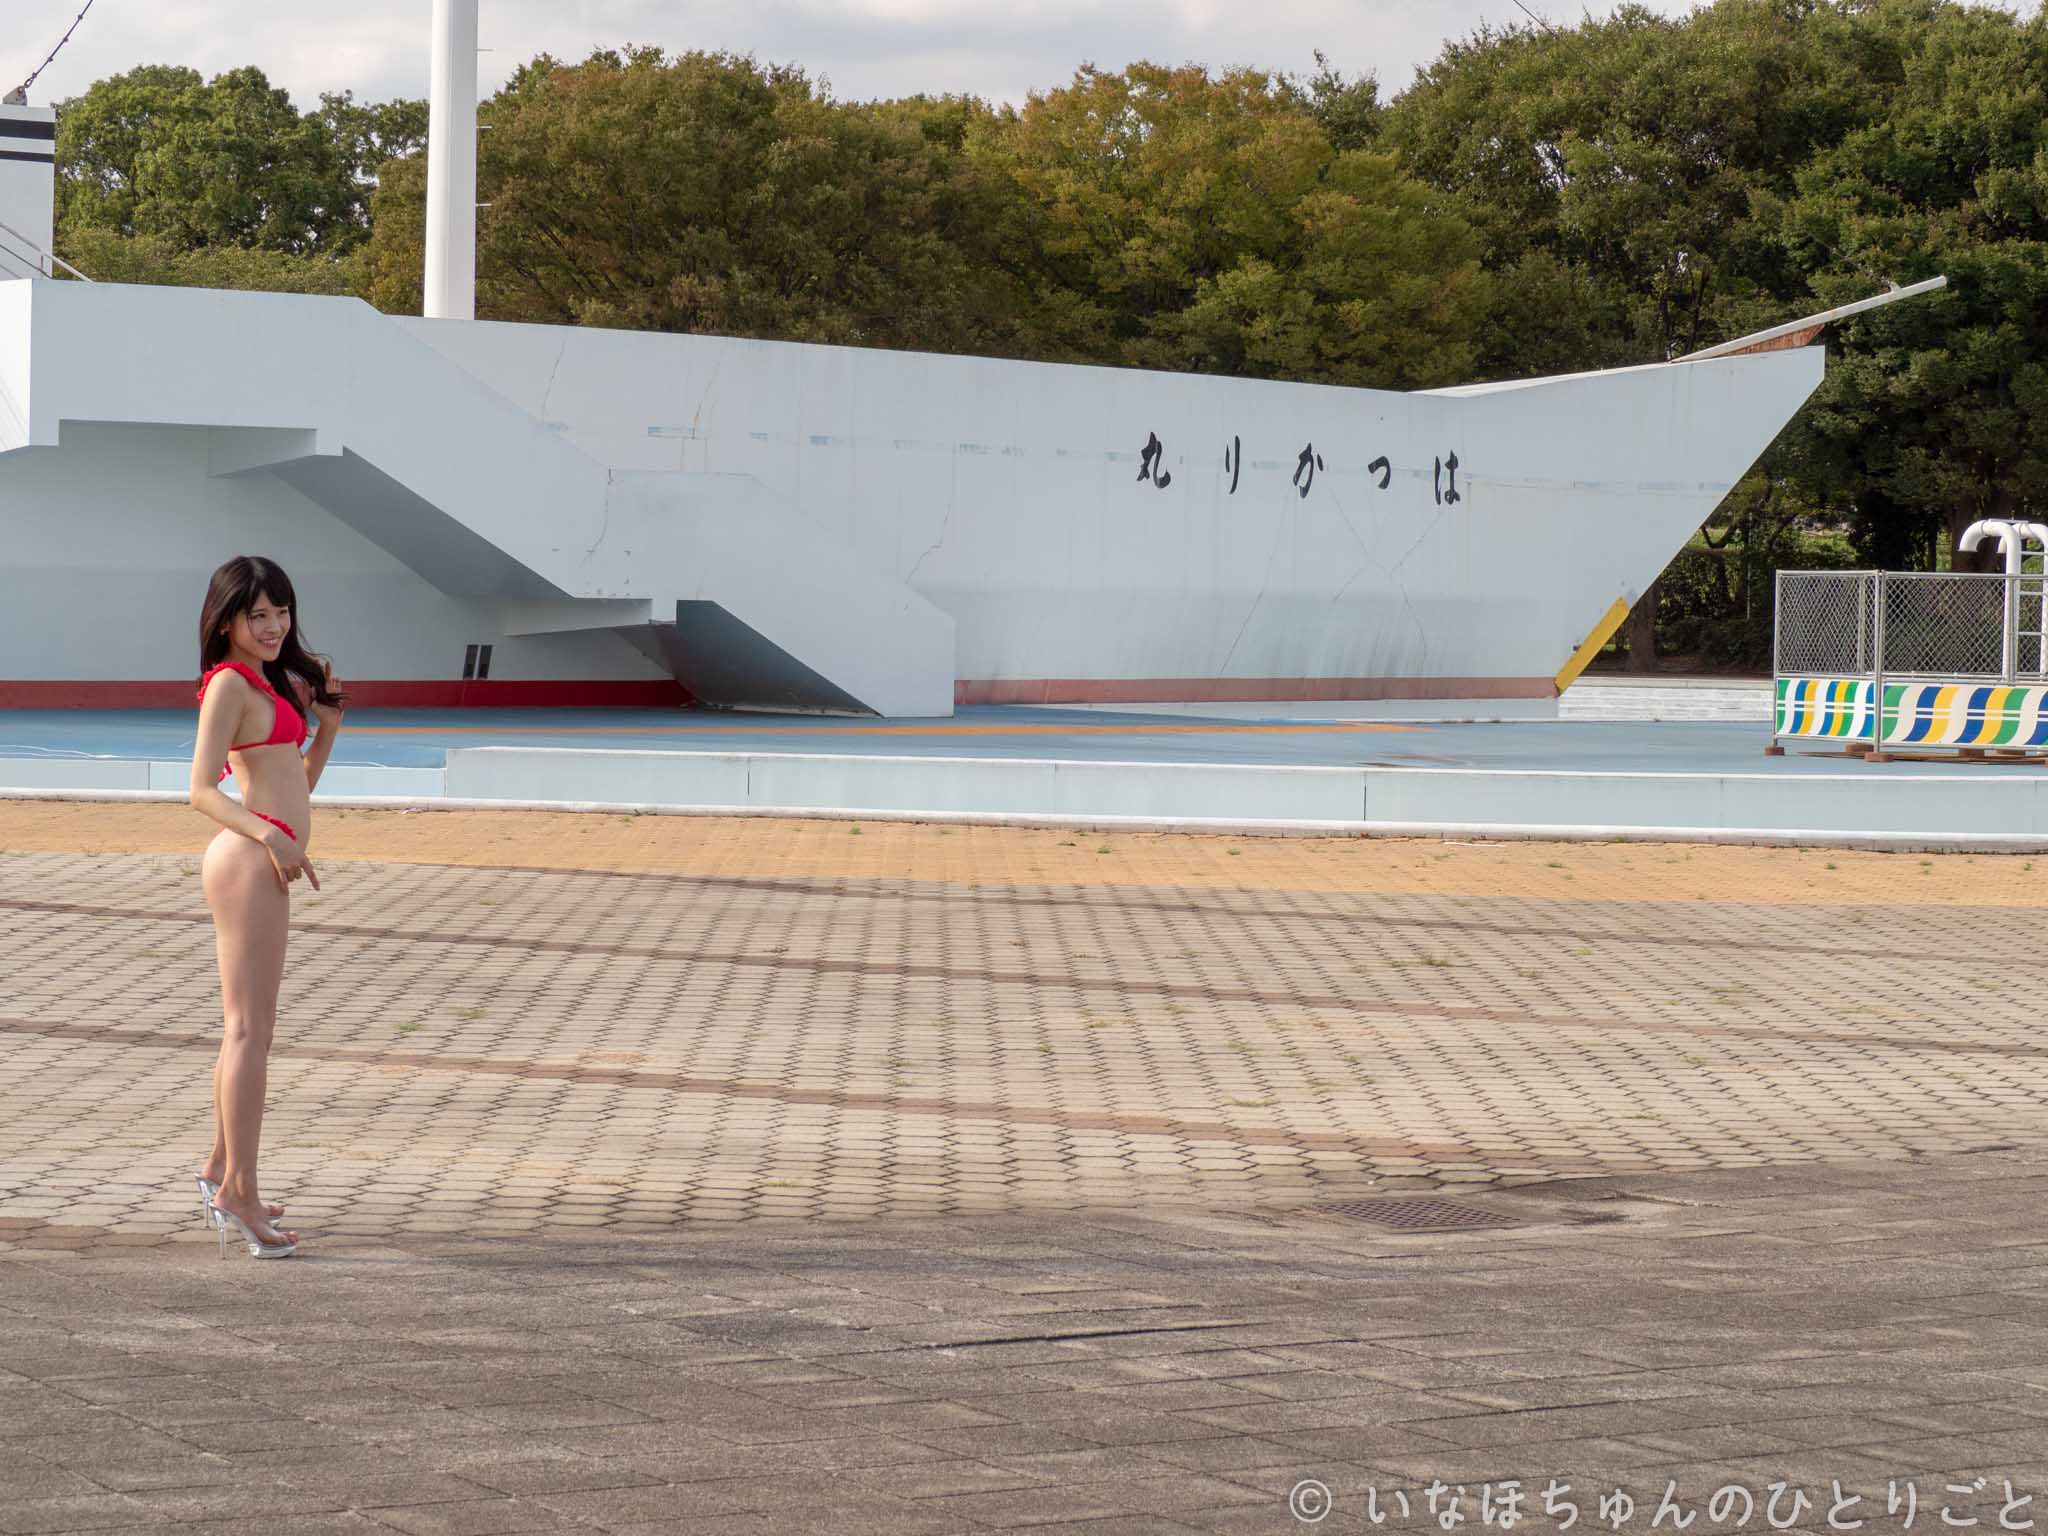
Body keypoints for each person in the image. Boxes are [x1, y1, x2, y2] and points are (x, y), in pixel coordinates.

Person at [187, 556, 347, 1259]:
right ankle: (239, 1192)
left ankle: (221, 1167)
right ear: (227, 620)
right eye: (258, 615)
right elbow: (201, 789)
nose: (275, 625)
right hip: (249, 861)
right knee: (249, 1031)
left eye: (281, 612)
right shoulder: (228, 682)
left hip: (266, 859)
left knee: (252, 1030)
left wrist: (327, 729)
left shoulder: (264, 682)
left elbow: (295, 784)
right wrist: (272, 837)